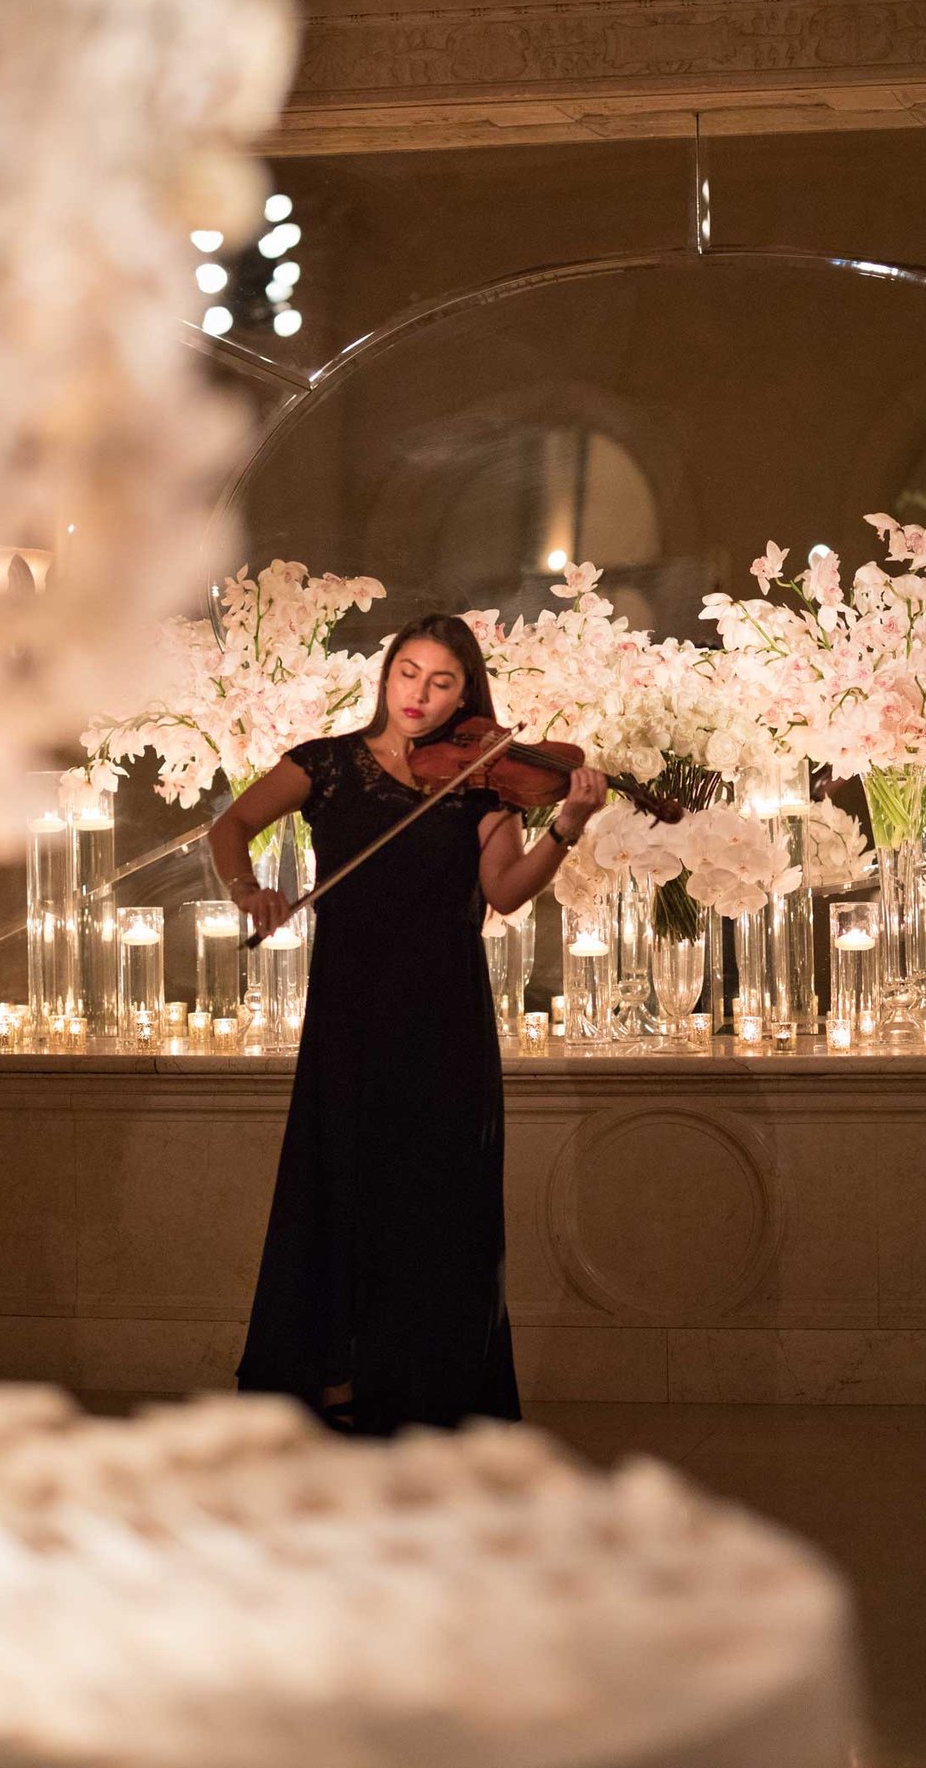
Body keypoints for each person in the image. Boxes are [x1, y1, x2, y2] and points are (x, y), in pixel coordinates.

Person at [208, 613, 607, 1435]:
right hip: (349, 1008)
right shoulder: (326, 765)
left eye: (443, 681)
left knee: (434, 1200)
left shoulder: (486, 778)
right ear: (386, 677)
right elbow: (230, 827)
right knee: (341, 1186)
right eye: (409, 674)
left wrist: (563, 829)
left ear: (468, 692)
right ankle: (333, 1377)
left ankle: (426, 1391)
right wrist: (248, 891)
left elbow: (502, 892)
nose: (421, 695)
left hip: (444, 1013)